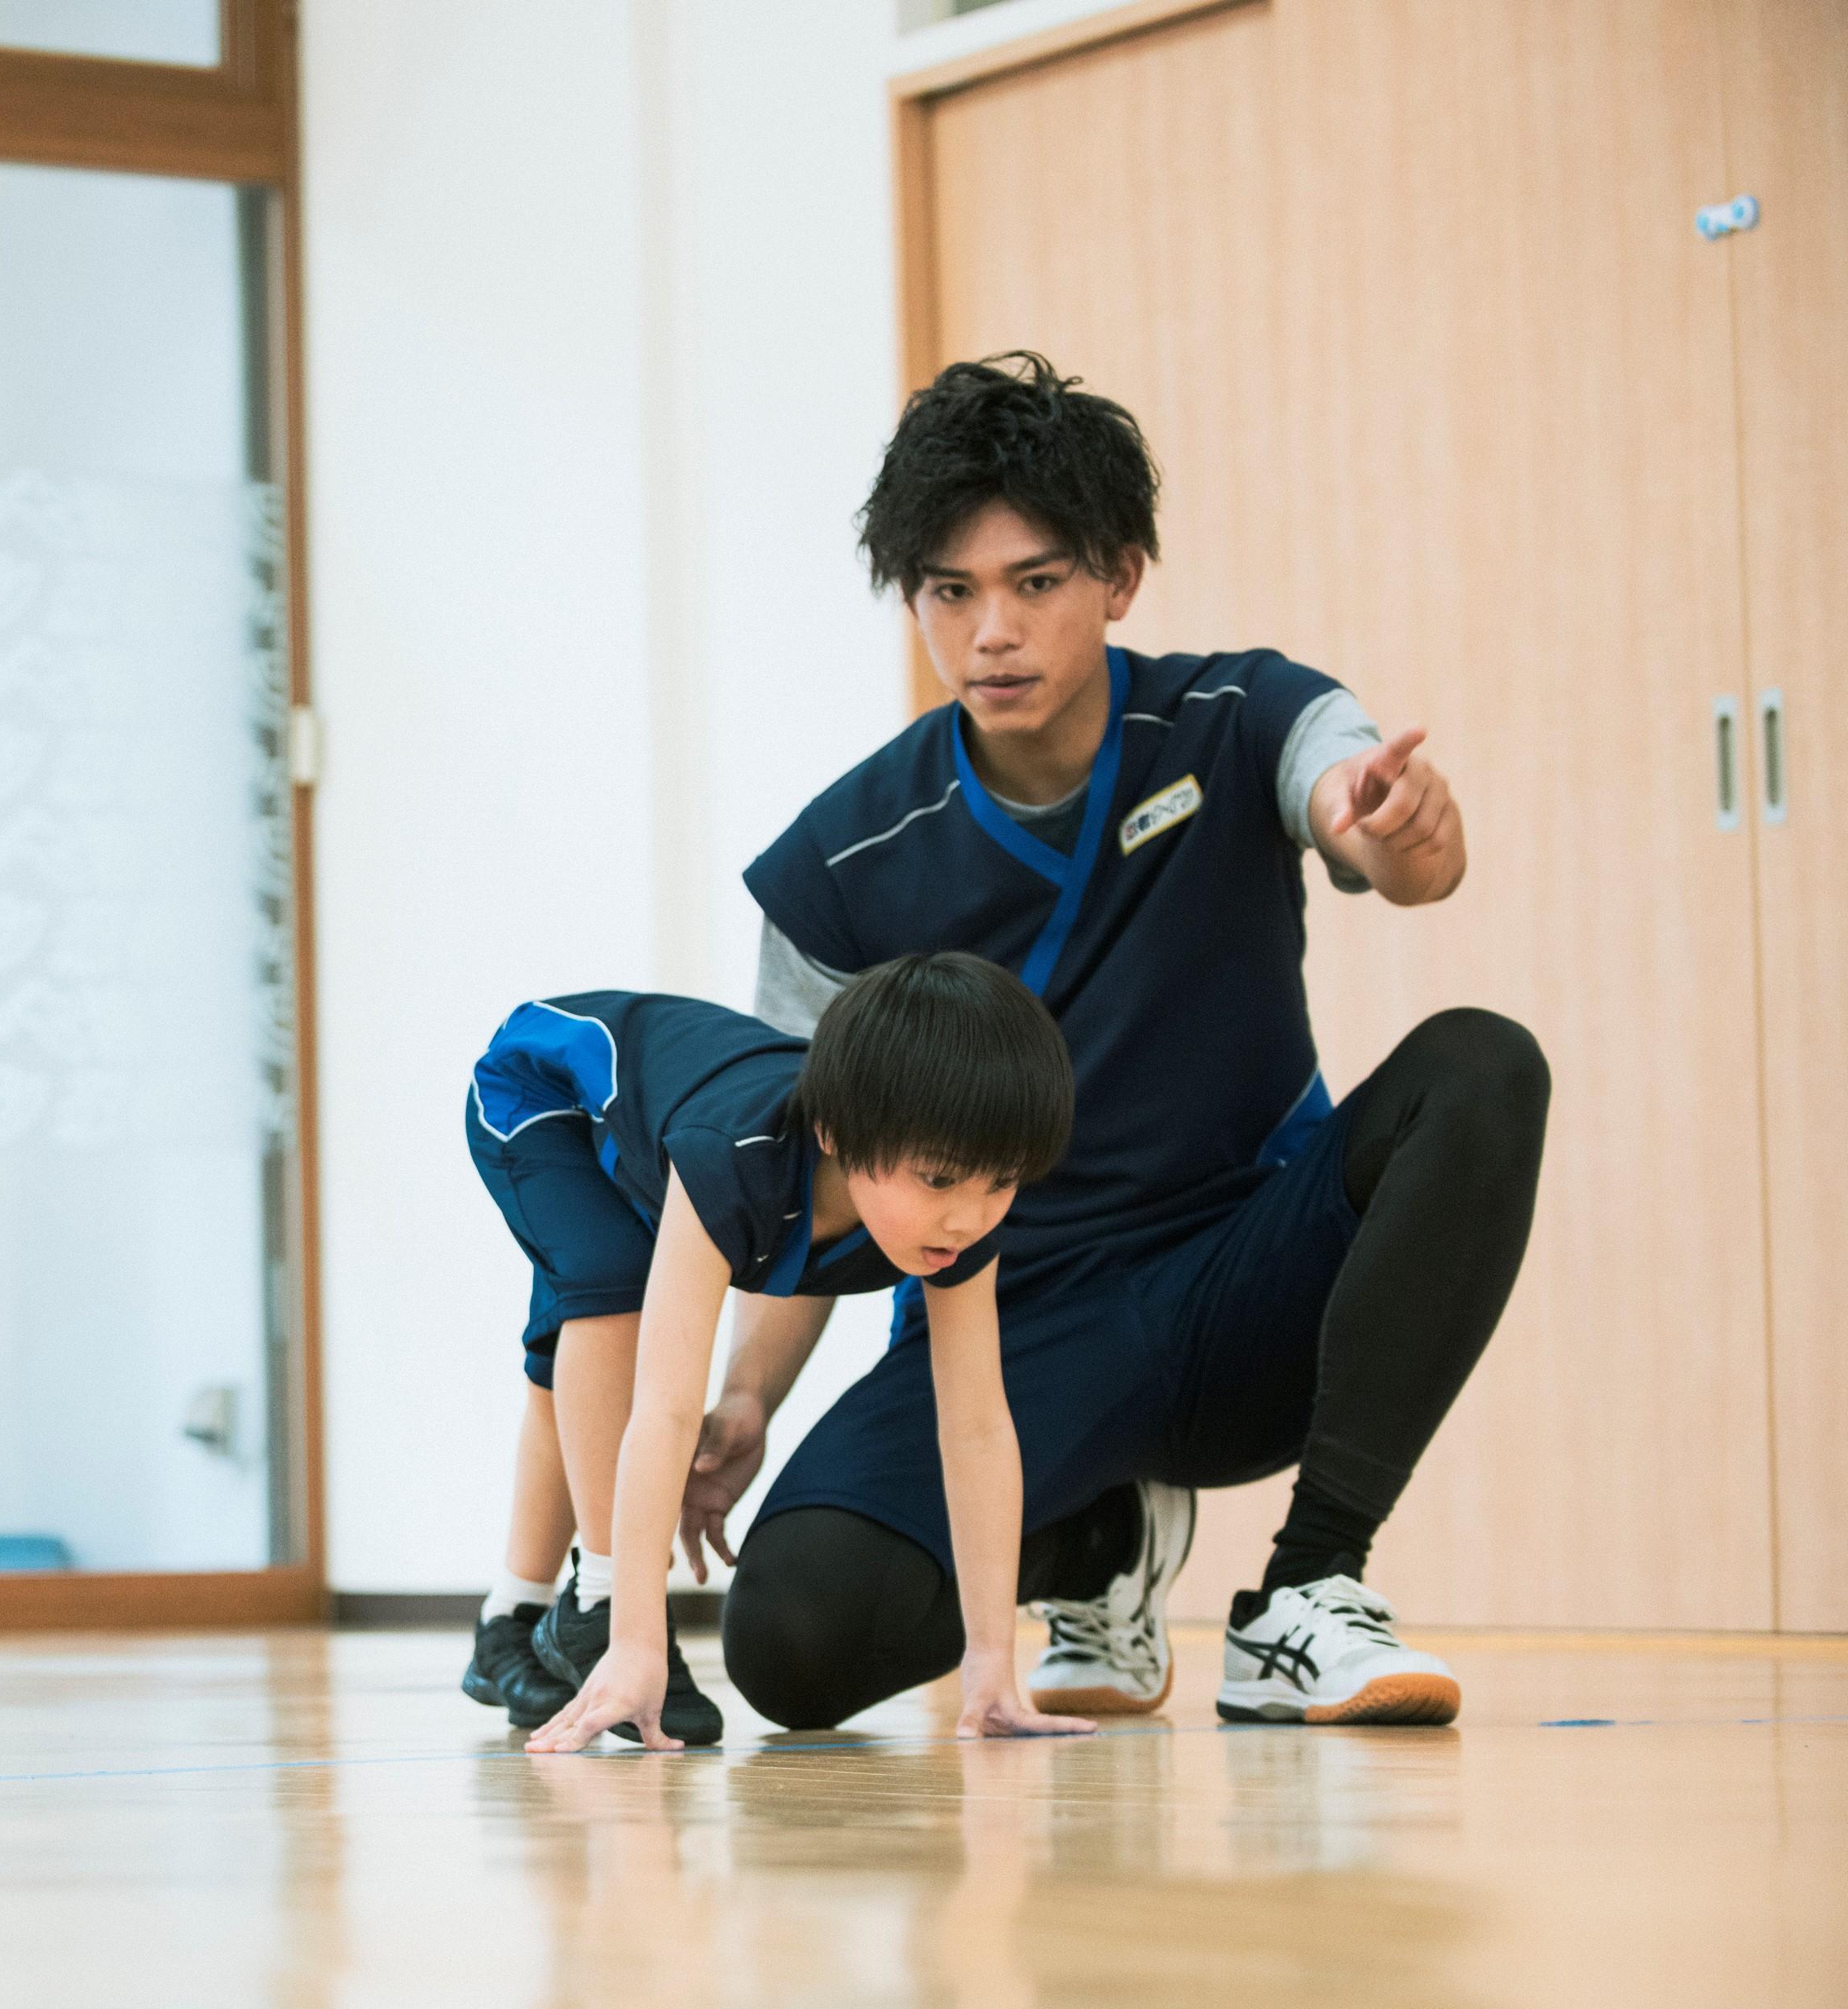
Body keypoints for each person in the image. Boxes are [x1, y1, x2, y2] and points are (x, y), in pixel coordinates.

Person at [704, 351, 1547, 1731]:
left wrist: (1398, 833)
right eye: (949, 591)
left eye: (1035, 582)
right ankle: (1096, 1539)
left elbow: (1354, 803)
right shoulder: (840, 862)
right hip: (1008, 1324)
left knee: (1482, 1065)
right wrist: (743, 1399)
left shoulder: (1236, 716)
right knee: (793, 1641)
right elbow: (808, 1174)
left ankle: (1306, 1589)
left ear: (1120, 576)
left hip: (1251, 1280)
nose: (992, 631)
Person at [451, 956, 1083, 1752]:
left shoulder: (955, 1223)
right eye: (938, 1178)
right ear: (835, 1137)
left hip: (642, 1124)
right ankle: (602, 1609)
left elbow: (977, 1427)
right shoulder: (732, 1158)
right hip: (541, 1091)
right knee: (607, 1301)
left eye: (1003, 1182)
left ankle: (508, 1621)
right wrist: (639, 1642)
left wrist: (990, 1664)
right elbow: (667, 1407)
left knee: (576, 1347)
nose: (967, 1216)